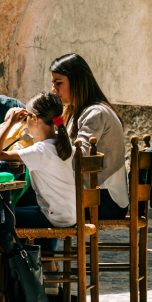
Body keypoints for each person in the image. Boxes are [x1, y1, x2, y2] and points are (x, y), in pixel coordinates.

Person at [0, 92, 75, 302]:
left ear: (35, 119)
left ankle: (1, 289)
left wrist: (9, 125)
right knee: (20, 212)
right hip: (67, 213)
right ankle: (50, 288)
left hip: (53, 216)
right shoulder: (63, 144)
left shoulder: (40, 151)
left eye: (27, 118)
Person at [49, 52, 130, 220]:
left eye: (59, 83)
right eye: (53, 83)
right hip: (89, 194)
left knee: (34, 202)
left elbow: (79, 158)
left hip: (105, 200)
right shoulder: (74, 111)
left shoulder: (96, 113)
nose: (53, 90)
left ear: (76, 81)